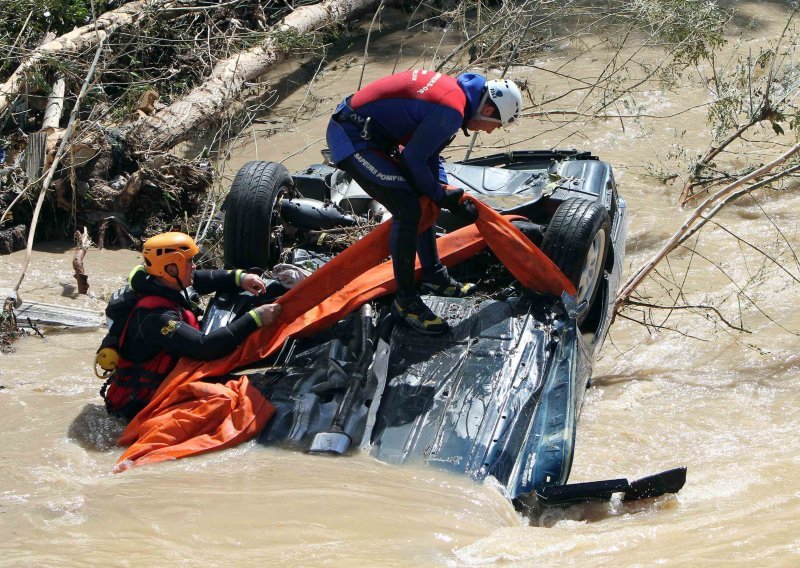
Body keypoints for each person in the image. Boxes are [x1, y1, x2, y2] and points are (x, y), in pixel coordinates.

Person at [325, 70, 522, 334]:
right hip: (352, 137)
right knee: (409, 209)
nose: (489, 131)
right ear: (487, 109)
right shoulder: (451, 111)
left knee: (424, 195)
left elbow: (428, 156)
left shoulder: (456, 100)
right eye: (495, 124)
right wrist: (442, 196)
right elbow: (413, 160)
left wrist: (440, 192)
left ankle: (435, 277)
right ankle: (405, 302)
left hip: (373, 135)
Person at [98, 232, 281, 419]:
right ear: (171, 269)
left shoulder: (162, 282)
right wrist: (255, 318)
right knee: (229, 399)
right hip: (134, 407)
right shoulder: (155, 316)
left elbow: (200, 279)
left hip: (159, 387)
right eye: (189, 261)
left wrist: (240, 278)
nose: (194, 266)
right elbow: (204, 347)